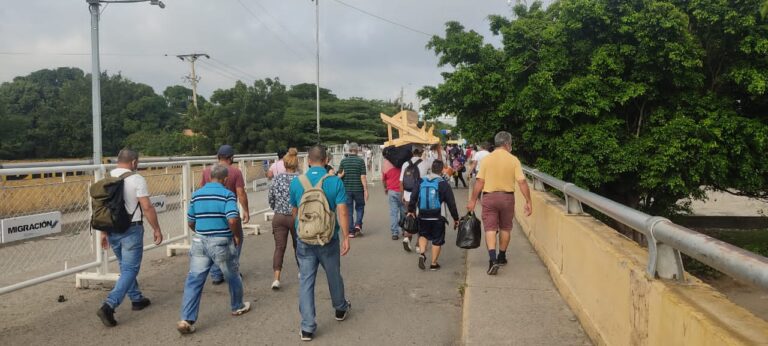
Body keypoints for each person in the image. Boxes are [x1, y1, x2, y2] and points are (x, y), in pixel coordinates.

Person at [177, 164, 251, 334]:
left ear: (210, 177)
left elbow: (190, 220)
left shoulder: (196, 194)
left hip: (199, 241)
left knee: (194, 280)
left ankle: (186, 318)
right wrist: (237, 235)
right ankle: (237, 305)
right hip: (221, 241)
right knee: (232, 275)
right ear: (225, 179)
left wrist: (200, 231)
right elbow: (232, 219)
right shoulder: (227, 195)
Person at [290, 145, 352, 342]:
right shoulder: (335, 182)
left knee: (306, 282)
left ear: (308, 161)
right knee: (333, 275)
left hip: (305, 239)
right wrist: (345, 236)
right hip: (328, 239)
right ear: (326, 160)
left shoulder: (297, 182)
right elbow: (342, 211)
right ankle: (340, 308)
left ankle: (307, 327)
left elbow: (294, 211)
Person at [96, 148, 163, 327]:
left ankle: (136, 299)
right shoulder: (137, 179)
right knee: (130, 269)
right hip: (131, 229)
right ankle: (109, 305)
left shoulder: (107, 179)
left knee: (125, 267)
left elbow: (103, 209)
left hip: (111, 229)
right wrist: (156, 228)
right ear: (133, 162)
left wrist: (103, 233)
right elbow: (147, 207)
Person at [467, 131, 533, 276]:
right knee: (505, 228)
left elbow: (479, 182)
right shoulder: (513, 160)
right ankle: (501, 256)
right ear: (507, 144)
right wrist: (528, 201)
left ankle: (492, 259)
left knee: (490, 228)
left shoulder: (487, 160)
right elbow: (522, 182)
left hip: (489, 197)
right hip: (507, 198)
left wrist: (472, 200)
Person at [200, 144, 250, 285]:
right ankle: (231, 269)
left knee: (215, 239)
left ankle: (216, 274)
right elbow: (240, 193)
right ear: (231, 157)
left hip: (211, 212)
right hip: (229, 212)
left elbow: (202, 190)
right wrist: (246, 210)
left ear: (218, 156)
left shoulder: (206, 171)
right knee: (236, 239)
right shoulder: (235, 172)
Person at [408, 160, 459, 271]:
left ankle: (422, 253)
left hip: (422, 214)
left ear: (431, 167)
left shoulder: (421, 180)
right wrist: (456, 218)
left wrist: (411, 210)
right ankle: (434, 263)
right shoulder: (443, 183)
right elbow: (451, 203)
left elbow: (413, 196)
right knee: (437, 239)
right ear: (442, 170)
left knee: (423, 235)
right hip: (438, 216)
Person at [268, 148, 301, 290]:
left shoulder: (277, 178)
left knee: (279, 248)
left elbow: (271, 198)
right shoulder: (301, 179)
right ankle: (302, 272)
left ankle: (276, 278)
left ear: (285, 164)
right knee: (298, 246)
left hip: (279, 216)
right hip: (296, 217)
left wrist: (277, 208)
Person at [399, 145, 430, 252]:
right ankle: (418, 245)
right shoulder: (425, 163)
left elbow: (401, 181)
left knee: (410, 217)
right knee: (421, 219)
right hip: (421, 196)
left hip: (408, 195)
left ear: (412, 152)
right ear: (421, 152)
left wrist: (402, 195)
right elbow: (439, 165)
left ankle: (407, 237)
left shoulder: (405, 164)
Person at [337, 142, 368, 238]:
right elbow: (363, 177)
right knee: (360, 207)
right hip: (358, 189)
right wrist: (366, 190)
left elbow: (339, 175)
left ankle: (351, 231)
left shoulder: (344, 161)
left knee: (349, 211)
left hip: (346, 189)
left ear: (349, 150)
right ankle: (358, 224)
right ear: (357, 150)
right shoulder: (361, 161)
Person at [383, 160, 406, 240]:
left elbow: (384, 179)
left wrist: (385, 188)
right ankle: (404, 229)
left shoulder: (388, 168)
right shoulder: (403, 168)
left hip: (392, 192)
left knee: (393, 213)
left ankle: (395, 233)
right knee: (403, 211)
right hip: (402, 192)